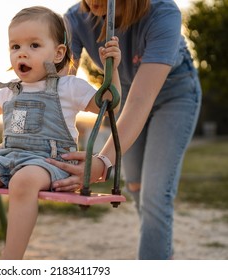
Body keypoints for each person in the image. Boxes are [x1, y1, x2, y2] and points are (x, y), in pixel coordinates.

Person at [0, 6, 122, 260]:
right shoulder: (10, 90)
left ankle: (11, 259)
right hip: (9, 158)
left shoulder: (69, 86)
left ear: (58, 52)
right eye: (15, 47)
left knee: (23, 181)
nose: (22, 54)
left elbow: (109, 102)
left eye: (34, 45)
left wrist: (112, 70)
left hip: (50, 161)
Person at [46, 0, 202, 260]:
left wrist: (103, 161)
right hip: (128, 92)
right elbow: (59, 86)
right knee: (136, 185)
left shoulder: (163, 13)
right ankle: (160, 250)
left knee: (155, 195)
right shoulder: (75, 19)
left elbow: (142, 99)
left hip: (175, 93)